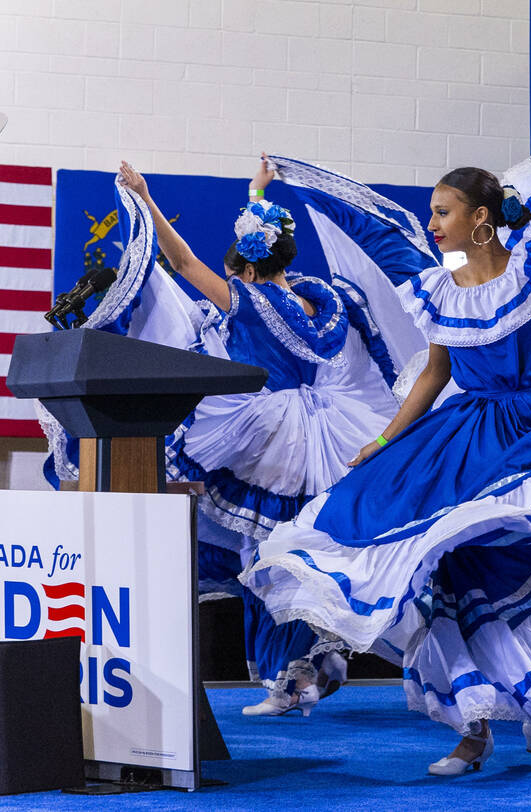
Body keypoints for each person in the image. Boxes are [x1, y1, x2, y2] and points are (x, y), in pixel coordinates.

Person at [242, 66, 531, 774]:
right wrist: (383, 441)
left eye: (442, 212)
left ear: (479, 218)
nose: (434, 223)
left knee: (524, 579)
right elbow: (436, 376)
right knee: (445, 570)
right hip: (462, 440)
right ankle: (475, 733)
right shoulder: (441, 293)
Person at [111, 158, 409, 716]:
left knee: (264, 555)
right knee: (297, 546)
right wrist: (258, 192)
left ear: (244, 268)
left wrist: (145, 200)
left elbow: (180, 260)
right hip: (325, 430)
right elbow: (263, 245)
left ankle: (299, 671)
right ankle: (314, 659)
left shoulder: (247, 303)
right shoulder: (321, 301)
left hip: (267, 435)